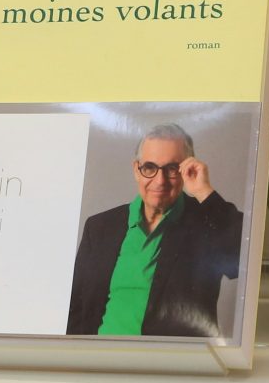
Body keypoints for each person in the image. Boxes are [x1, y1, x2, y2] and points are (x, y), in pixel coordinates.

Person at [65, 123, 244, 338]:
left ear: (187, 170)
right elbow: (76, 307)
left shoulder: (206, 222)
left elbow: (241, 263)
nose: (160, 181)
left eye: (171, 169)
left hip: (171, 364)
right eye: (149, 167)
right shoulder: (100, 227)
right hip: (103, 361)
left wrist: (204, 191)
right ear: (136, 170)